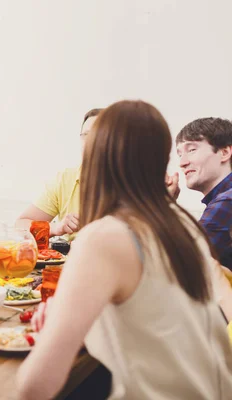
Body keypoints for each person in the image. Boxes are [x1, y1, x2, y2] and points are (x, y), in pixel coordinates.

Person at [15, 100, 232, 400]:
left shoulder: (104, 237)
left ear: (95, 157)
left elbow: (34, 387)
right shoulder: (183, 225)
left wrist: (56, 328)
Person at [16, 108, 102, 239]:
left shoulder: (132, 184)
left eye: (98, 135)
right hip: (72, 258)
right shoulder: (65, 180)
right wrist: (55, 228)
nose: (90, 142)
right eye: (86, 135)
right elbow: (20, 225)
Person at [172, 117, 232, 270]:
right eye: (180, 154)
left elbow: (182, 265)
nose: (182, 163)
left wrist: (165, 203)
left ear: (224, 152)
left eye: (191, 150)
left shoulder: (227, 201)